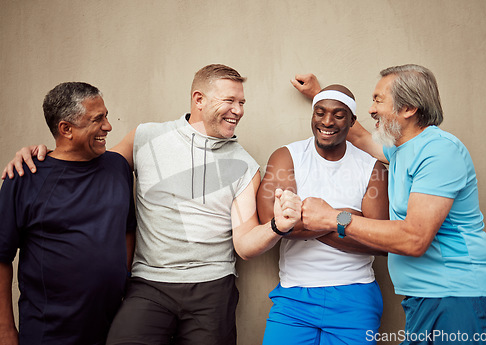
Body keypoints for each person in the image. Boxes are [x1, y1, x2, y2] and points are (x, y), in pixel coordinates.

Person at [2, 64, 302, 345]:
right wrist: (39, 155)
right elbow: (84, 160)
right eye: (230, 101)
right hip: (150, 284)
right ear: (199, 99)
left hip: (212, 285)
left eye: (242, 103)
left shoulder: (244, 164)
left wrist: (277, 226)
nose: (238, 111)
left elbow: (245, 244)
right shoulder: (145, 137)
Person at [292, 65, 486, 344]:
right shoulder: (401, 149)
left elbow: (414, 238)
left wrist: (334, 218)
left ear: (409, 108)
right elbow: (361, 136)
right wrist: (323, 96)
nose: (371, 109)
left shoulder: (438, 151)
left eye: (378, 99)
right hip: (425, 298)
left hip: (458, 296)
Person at [0, 82, 137, 345]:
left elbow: (127, 229)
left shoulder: (117, 167)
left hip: (113, 329)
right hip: (50, 333)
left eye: (106, 115)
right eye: (98, 119)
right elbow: (1, 256)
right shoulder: (23, 177)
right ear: (66, 129)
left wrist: (124, 278)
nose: (108, 126)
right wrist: (5, 330)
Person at [256, 83, 389, 345]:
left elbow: (379, 241)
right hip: (294, 296)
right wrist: (346, 218)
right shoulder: (287, 157)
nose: (327, 121)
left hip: (355, 295)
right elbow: (271, 223)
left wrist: (312, 218)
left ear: (352, 121)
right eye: (320, 112)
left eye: (339, 115)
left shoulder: (372, 168)